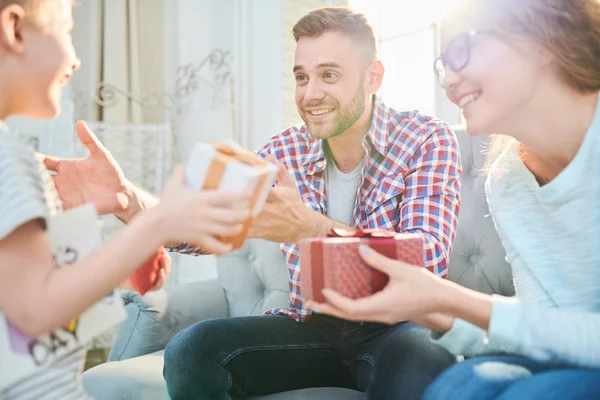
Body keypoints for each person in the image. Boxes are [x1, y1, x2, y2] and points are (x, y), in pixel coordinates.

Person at [47, 7, 462, 400]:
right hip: (311, 326)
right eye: (301, 77)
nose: (311, 94)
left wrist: (313, 228)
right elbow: (212, 225)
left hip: (397, 326)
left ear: (373, 77)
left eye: (329, 75)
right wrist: (129, 201)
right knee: (194, 348)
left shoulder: (425, 138)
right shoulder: (284, 149)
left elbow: (424, 260)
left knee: (423, 357)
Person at [306, 0, 600, 399]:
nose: (447, 83)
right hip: (568, 358)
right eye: (442, 66)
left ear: (541, 40)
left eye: (462, 51)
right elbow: (541, 331)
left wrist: (450, 297)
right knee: (459, 386)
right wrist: (433, 312)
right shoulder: (509, 180)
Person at [0, 0, 250, 398]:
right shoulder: (8, 156)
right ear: (14, 29)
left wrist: (117, 273)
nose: (77, 58)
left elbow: (19, 305)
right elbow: (34, 312)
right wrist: (157, 222)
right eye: (66, 29)